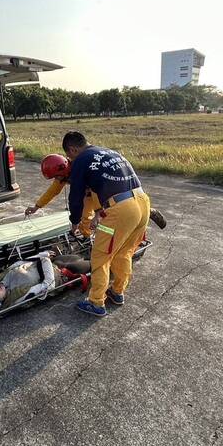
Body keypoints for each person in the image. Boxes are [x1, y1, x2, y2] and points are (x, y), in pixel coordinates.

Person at [64, 130, 151, 317]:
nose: (69, 160)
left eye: (68, 155)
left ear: (72, 149)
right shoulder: (108, 152)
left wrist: (75, 221)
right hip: (142, 202)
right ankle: (118, 292)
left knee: (100, 256)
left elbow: (76, 195)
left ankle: (96, 303)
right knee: (123, 252)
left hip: (121, 210)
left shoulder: (81, 159)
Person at [0, 251, 91, 314]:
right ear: (0, 302)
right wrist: (45, 259)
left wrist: (42, 255)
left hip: (51, 263)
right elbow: (49, 285)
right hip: (64, 274)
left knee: (78, 256)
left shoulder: (3, 280)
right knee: (93, 262)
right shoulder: (20, 295)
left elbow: (22, 262)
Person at [24, 154, 100, 237]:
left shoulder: (80, 171)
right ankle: (89, 237)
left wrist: (97, 213)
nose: (56, 179)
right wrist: (36, 207)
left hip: (98, 191)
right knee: (84, 222)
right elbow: (52, 192)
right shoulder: (63, 175)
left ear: (63, 170)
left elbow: (77, 200)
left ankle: (107, 233)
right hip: (87, 192)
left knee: (87, 220)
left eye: (56, 176)